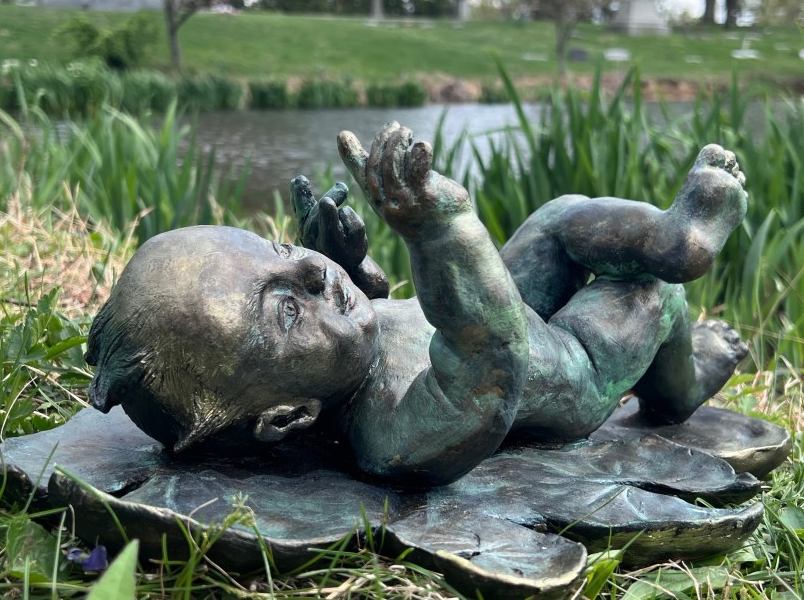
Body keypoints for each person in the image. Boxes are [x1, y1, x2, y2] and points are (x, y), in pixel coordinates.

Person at [86, 122, 748, 486]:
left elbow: (381, 310)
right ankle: (681, 381)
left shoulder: (341, 351)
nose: (311, 273)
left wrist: (349, 265)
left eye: (280, 250)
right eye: (285, 309)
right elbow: (487, 356)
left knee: (560, 215)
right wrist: (442, 230)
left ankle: (668, 233)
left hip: (506, 302)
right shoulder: (394, 440)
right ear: (287, 417)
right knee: (648, 290)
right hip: (571, 362)